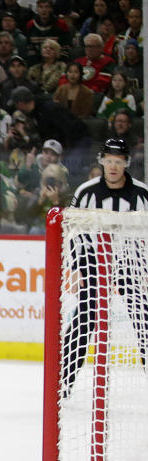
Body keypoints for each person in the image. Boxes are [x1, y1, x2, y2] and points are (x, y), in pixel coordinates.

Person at [62, 138, 148, 396]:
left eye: (118, 161)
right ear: (101, 162)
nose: (112, 166)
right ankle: (64, 383)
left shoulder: (142, 194)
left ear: (126, 163)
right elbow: (74, 232)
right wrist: (77, 267)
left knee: (144, 319)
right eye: (108, 161)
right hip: (94, 262)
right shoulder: (86, 191)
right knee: (84, 319)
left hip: (130, 262)